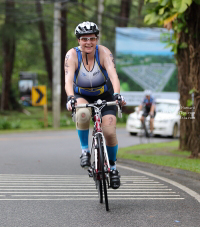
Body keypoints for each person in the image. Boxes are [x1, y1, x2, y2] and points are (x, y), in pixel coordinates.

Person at [65, 21, 126, 189]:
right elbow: (68, 79)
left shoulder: (104, 53)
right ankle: (85, 151)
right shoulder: (72, 55)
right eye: (84, 39)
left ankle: (113, 168)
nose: (88, 42)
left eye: (92, 38)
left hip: (104, 95)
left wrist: (117, 94)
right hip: (81, 95)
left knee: (109, 131)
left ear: (96, 39)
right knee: (82, 113)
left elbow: (113, 76)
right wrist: (71, 97)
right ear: (78, 41)